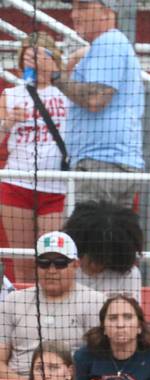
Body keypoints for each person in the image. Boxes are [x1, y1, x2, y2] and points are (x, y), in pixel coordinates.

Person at [54, 0, 144, 207]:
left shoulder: (108, 43)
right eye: (74, 7)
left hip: (102, 163)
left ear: (107, 13)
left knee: (91, 237)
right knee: (112, 237)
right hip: (109, 162)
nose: (74, 15)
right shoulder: (109, 44)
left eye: (83, 7)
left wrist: (56, 76)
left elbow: (95, 99)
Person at [0, 32, 69, 284]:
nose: (35, 60)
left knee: (52, 259)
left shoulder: (65, 93)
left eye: (41, 54)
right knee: (23, 262)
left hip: (54, 186)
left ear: (53, 60)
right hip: (17, 183)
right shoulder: (12, 94)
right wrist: (7, 123)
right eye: (29, 55)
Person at [0, 231, 105, 379]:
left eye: (60, 263)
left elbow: (100, 362)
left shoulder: (95, 302)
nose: (51, 270)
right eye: (44, 263)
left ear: (76, 265)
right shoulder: (13, 301)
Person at [62, 200, 143, 300]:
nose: (94, 265)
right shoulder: (61, 269)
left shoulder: (129, 275)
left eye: (103, 259)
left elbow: (131, 313)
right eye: (92, 256)